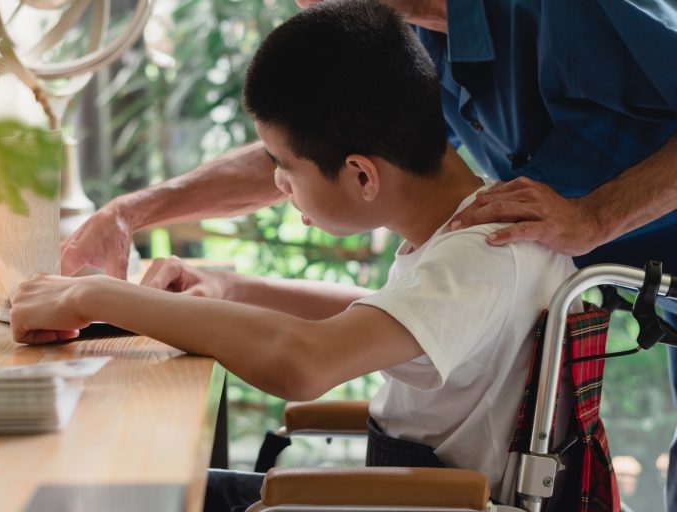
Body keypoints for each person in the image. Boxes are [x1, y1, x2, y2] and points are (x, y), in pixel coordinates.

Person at [60, 1, 677, 508]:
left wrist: (94, 295)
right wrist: (219, 278)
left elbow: (305, 363)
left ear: (362, 174)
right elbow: (392, 299)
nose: (307, 6)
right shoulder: (468, 216)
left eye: (286, 172)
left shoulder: (490, 244)